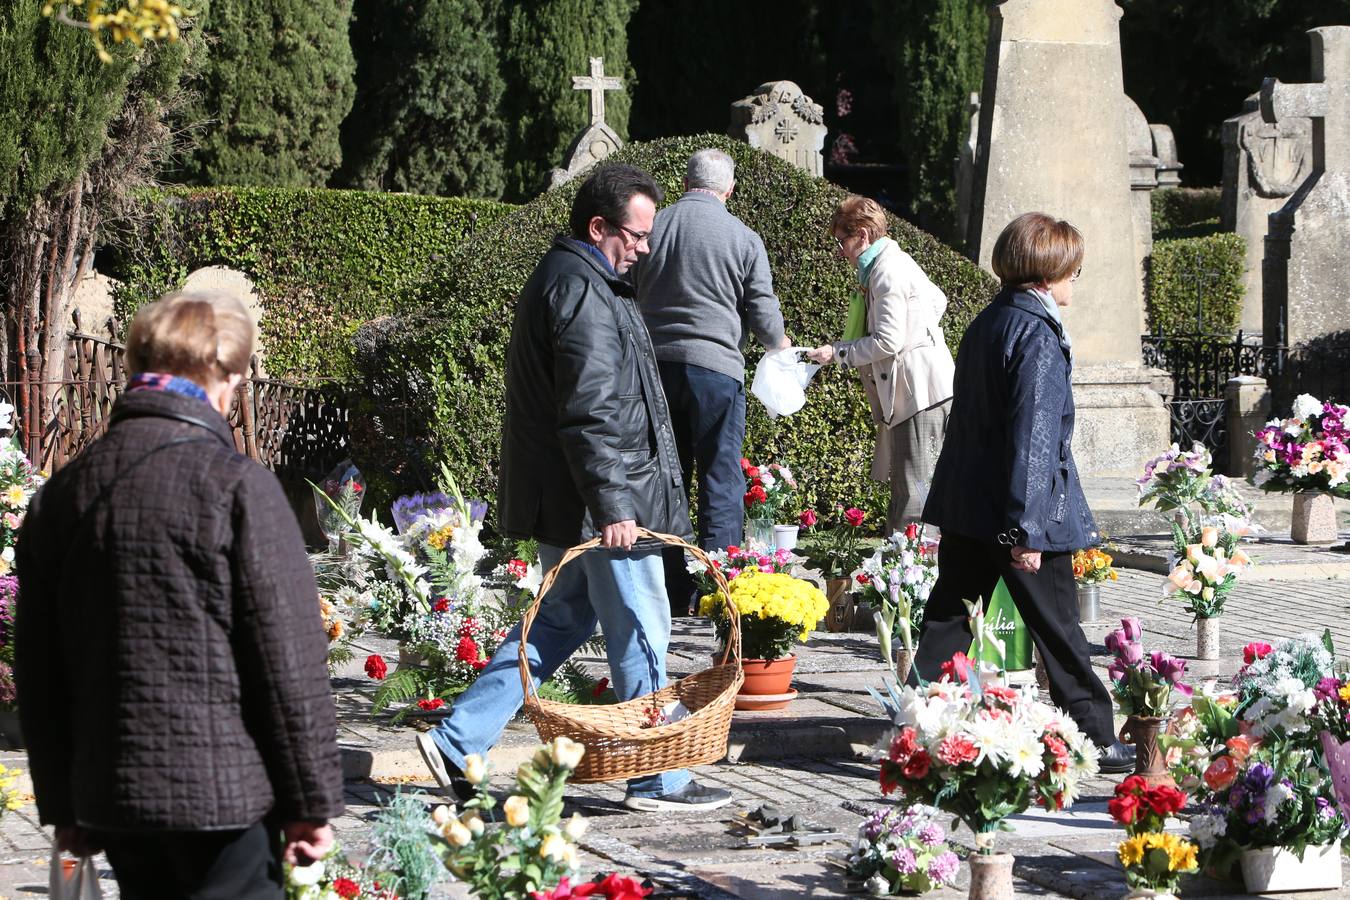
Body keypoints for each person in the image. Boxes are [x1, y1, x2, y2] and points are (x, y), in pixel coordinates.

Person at [417, 163, 734, 813]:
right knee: (645, 628)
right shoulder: (585, 292)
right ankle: (658, 774)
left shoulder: (579, 279)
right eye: (635, 234)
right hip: (603, 507)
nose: (644, 247)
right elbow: (592, 413)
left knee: (555, 624)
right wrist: (615, 506)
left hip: (575, 503)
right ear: (598, 227)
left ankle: (457, 741)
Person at [15, 291, 343, 895]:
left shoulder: (61, 495)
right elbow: (288, 664)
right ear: (224, 376)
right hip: (226, 796)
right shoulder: (238, 486)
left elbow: (40, 670)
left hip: (112, 796)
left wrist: (65, 803)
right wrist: (312, 801)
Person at [914, 211, 1135, 774]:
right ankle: (1093, 733)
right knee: (1058, 625)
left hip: (969, 503)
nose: (1073, 285)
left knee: (950, 617)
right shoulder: (1036, 332)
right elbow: (1034, 440)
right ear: (1048, 271)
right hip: (1018, 510)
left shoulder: (988, 321)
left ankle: (920, 722)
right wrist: (1028, 528)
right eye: (1072, 272)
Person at [631, 148, 789, 616]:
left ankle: (668, 594)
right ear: (730, 189)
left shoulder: (653, 228)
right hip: (718, 371)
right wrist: (781, 346)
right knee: (720, 479)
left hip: (655, 368)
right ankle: (719, 595)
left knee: (665, 480)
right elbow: (762, 310)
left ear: (685, 181)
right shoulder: (743, 238)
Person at [807, 195, 954, 534]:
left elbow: (888, 340)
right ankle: (907, 570)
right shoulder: (894, 260)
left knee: (912, 492)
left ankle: (908, 577)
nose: (840, 249)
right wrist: (923, 332)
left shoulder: (885, 271)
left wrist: (838, 352)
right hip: (924, 389)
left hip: (917, 394)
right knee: (911, 486)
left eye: (842, 240)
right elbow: (938, 300)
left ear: (862, 235)